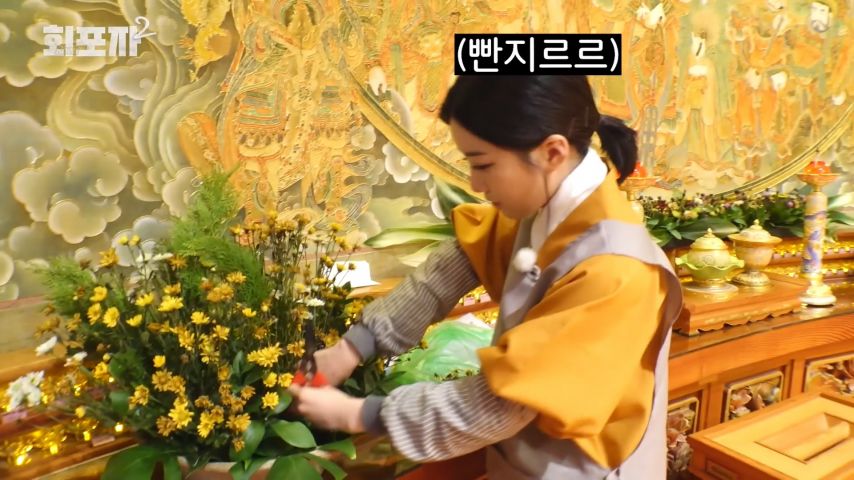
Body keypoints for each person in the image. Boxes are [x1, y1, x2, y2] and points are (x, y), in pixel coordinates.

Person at [289, 76, 684, 479]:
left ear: (552, 152)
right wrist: (351, 349)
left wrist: (359, 414)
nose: (476, 184)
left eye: (483, 164)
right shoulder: (548, 207)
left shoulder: (617, 271)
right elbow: (450, 268)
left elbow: (502, 405)